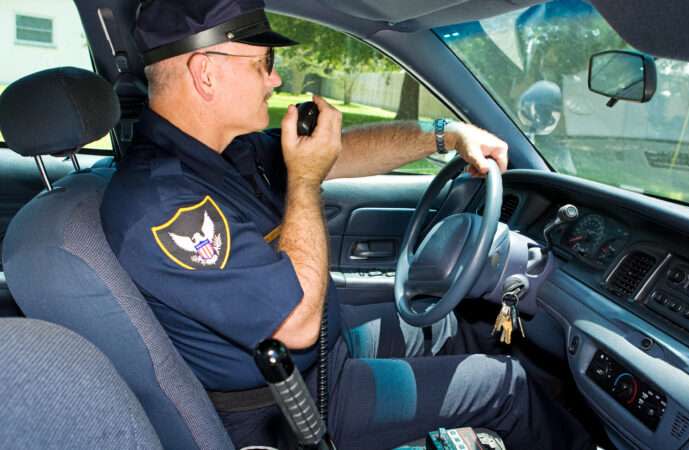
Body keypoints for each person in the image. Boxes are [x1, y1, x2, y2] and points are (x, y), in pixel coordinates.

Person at [101, 1, 592, 449]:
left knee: (447, 325)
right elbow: (294, 325)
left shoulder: (221, 153)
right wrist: (306, 179)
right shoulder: (162, 202)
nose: (274, 80)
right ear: (205, 73)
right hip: (292, 405)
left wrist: (446, 135)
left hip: (325, 357)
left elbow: (345, 151)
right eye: (263, 63)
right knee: (506, 384)